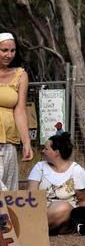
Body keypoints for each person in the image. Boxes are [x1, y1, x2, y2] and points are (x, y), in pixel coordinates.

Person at [27, 132, 85, 234]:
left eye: (46, 149)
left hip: (65, 217)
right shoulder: (40, 167)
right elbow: (30, 196)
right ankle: (33, 229)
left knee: (63, 208)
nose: (43, 151)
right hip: (40, 213)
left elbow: (83, 201)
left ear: (56, 152)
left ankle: (30, 231)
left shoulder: (77, 171)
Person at [0, 32, 33, 190]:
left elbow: (19, 111)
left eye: (12, 50)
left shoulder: (20, 75)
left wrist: (26, 142)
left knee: (8, 193)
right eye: (4, 50)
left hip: (9, 143)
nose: (9, 55)